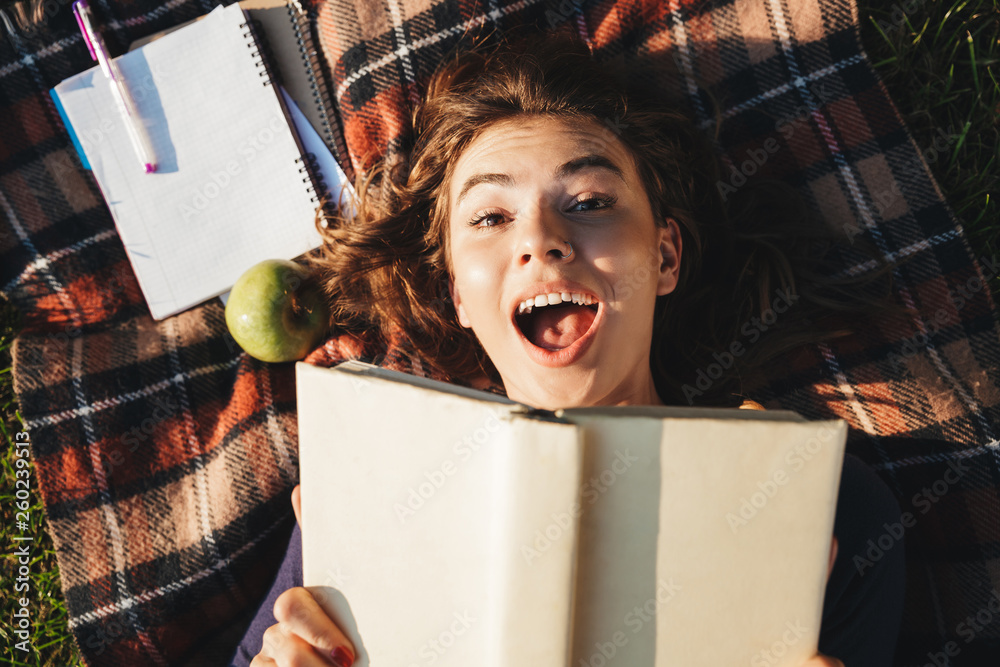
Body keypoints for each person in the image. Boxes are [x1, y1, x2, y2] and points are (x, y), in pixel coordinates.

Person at [235, 32, 906, 667]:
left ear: (664, 255)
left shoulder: (815, 501)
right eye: (491, 217)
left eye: (588, 200)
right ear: (458, 295)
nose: (541, 238)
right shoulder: (370, 488)